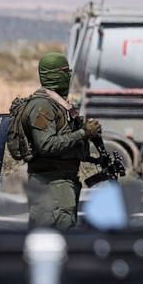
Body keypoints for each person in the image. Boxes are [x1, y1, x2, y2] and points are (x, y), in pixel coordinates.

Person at [25, 52, 102, 231]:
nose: (68, 76)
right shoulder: (42, 106)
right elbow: (46, 145)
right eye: (65, 72)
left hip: (61, 184)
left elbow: (66, 143)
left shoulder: (59, 104)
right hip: (51, 186)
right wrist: (83, 133)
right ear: (54, 75)